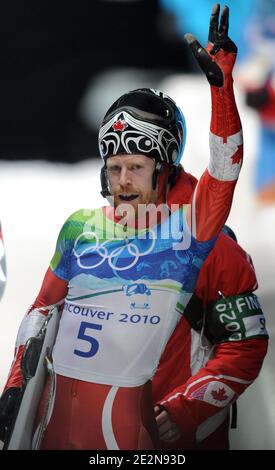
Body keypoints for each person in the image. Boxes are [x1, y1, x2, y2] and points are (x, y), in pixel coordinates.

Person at [0, 4, 244, 450]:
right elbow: (39, 317)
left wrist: (185, 412)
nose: (122, 182)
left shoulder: (203, 240)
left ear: (164, 168)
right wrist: (15, 398)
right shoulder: (80, 230)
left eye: (135, 167)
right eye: (113, 168)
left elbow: (245, 345)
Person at [152, 225, 268, 450]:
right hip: (113, 428)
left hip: (188, 433)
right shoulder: (96, 244)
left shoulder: (216, 246)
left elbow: (245, 346)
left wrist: (185, 408)